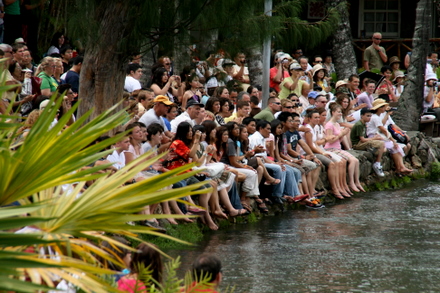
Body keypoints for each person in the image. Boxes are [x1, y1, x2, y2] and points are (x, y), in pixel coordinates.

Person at [325, 103, 365, 193]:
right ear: (333, 112)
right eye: (338, 112)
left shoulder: (337, 125)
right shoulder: (329, 125)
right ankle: (350, 183)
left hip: (337, 148)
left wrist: (342, 135)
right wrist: (341, 134)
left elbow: (338, 140)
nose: (340, 114)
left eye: (341, 112)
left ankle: (356, 182)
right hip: (330, 148)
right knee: (352, 160)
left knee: (356, 161)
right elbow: (329, 140)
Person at [366, 99, 413, 175]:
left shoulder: (377, 116)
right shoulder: (375, 117)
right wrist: (393, 140)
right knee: (394, 145)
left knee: (395, 146)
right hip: (375, 136)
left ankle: (401, 167)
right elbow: (383, 130)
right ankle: (400, 167)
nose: (385, 108)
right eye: (384, 107)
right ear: (380, 108)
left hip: (380, 136)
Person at [350, 107, 386, 177]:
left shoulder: (364, 124)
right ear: (362, 116)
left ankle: (375, 155)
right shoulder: (359, 125)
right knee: (381, 144)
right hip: (357, 144)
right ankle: (377, 164)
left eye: (370, 116)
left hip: (362, 142)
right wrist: (374, 138)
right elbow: (362, 139)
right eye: (367, 116)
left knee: (383, 149)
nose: (369, 118)